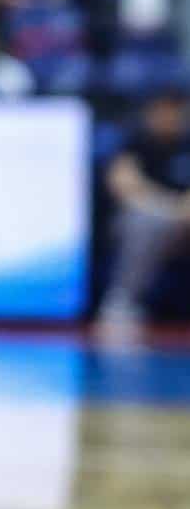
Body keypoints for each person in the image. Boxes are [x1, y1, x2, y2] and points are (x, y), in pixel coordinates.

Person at [98, 87, 190, 329]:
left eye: (175, 110)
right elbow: (125, 186)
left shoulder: (186, 142)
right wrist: (169, 208)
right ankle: (122, 302)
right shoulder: (134, 140)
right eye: (162, 109)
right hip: (140, 217)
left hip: (185, 221)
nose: (169, 116)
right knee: (147, 221)